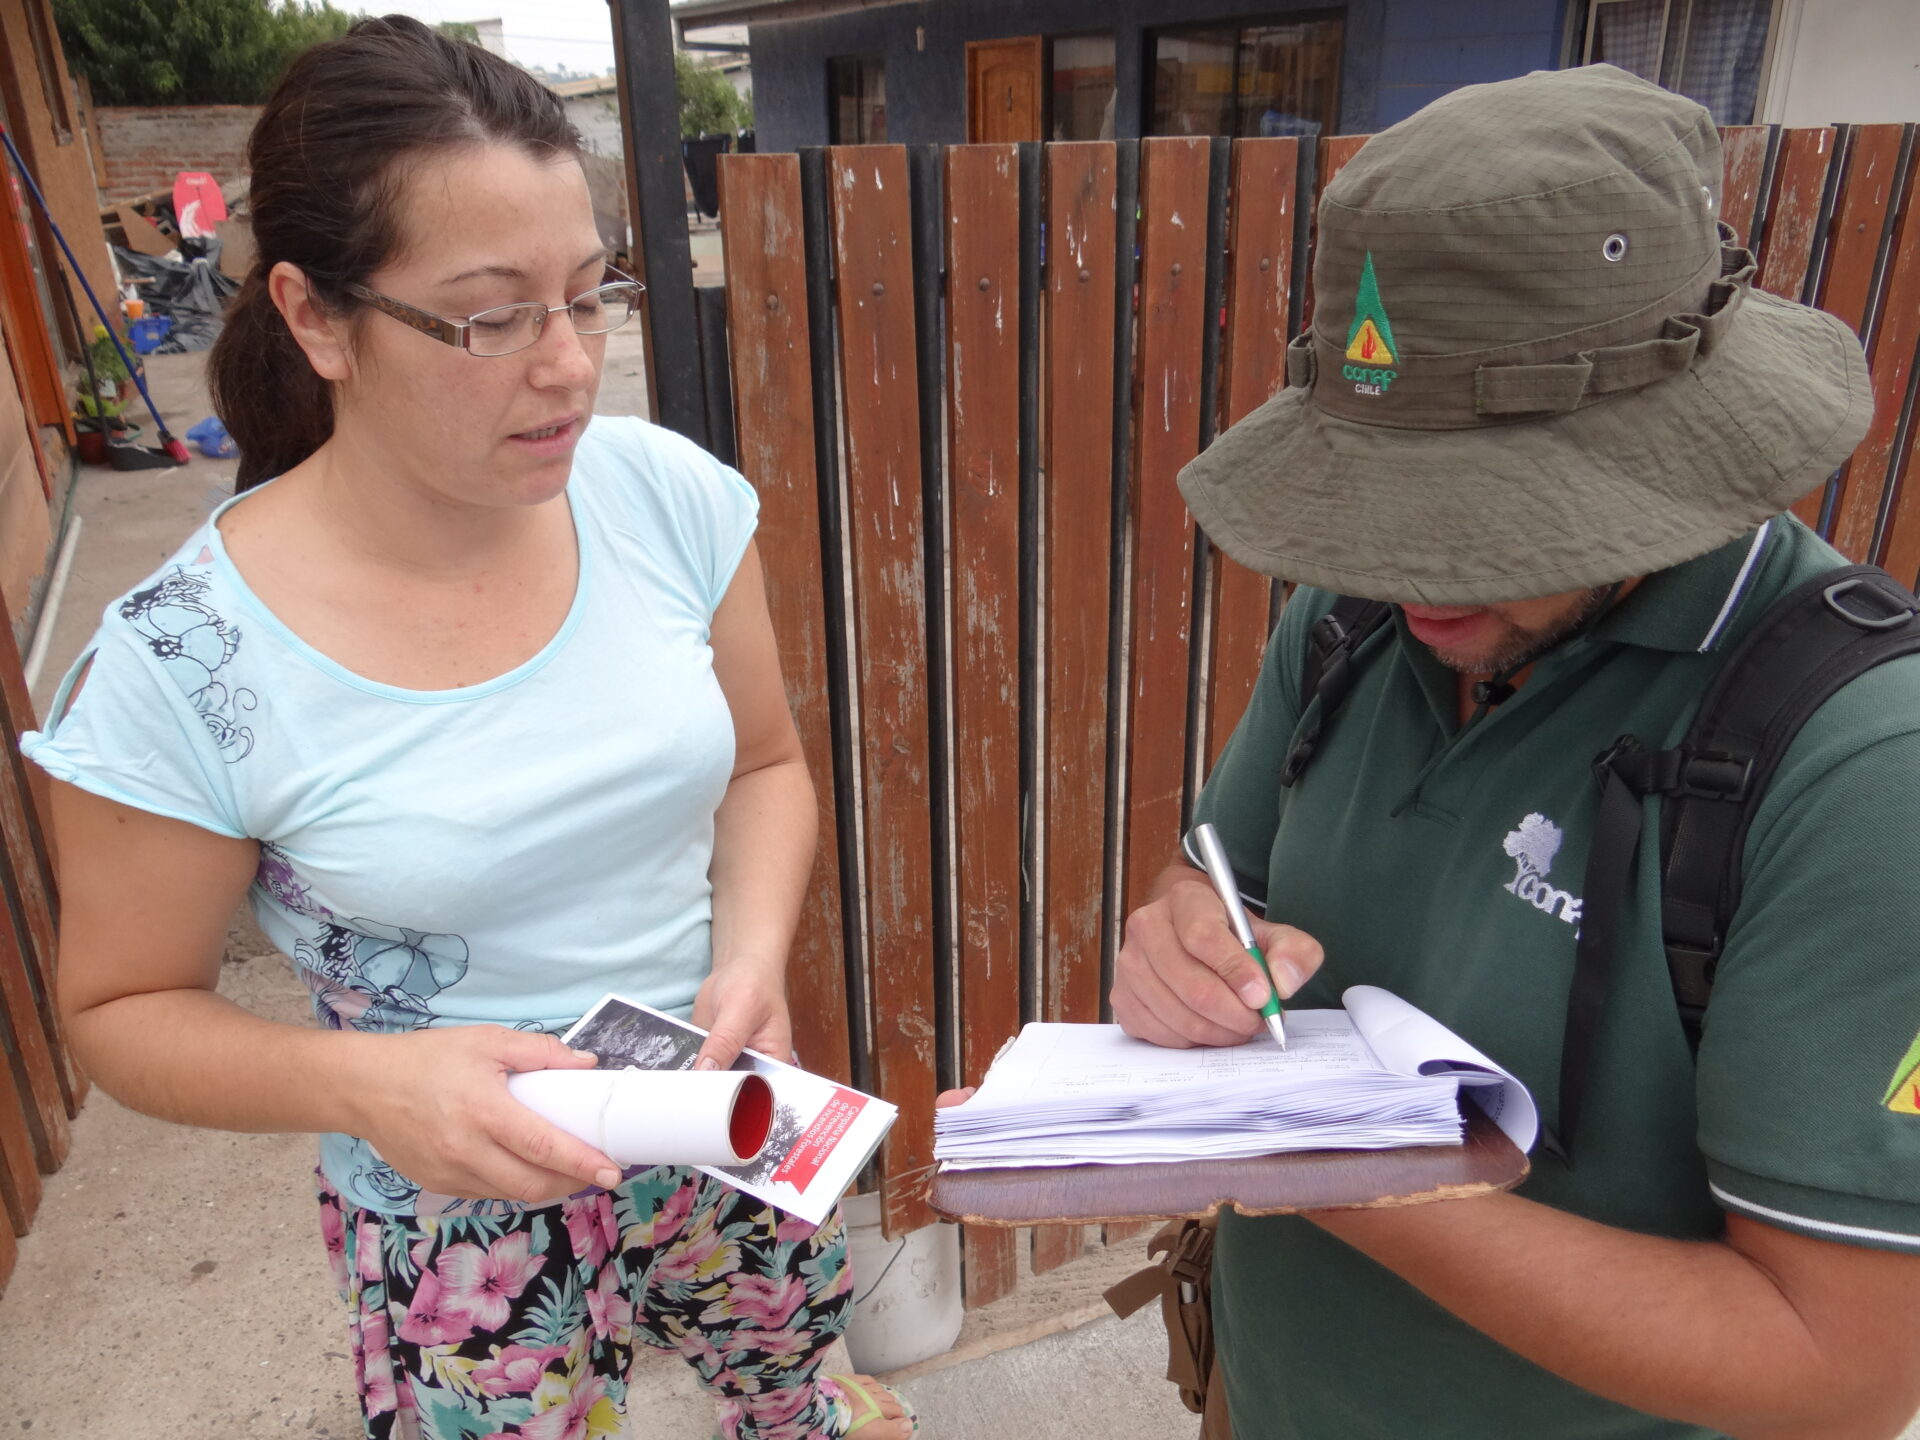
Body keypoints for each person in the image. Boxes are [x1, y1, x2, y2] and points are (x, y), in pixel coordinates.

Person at [24, 18, 911, 1440]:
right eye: (492, 317)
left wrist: (751, 959)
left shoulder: (661, 496)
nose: (568, 367)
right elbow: (120, 1010)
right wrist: (367, 1084)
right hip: (457, 1203)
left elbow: (762, 764)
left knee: (797, 1396)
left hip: (718, 1114)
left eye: (589, 295)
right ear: (318, 318)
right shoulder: (180, 662)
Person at [1108, 66, 1920, 1439]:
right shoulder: (1354, 621)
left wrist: (1340, 1169)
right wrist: (1178, 946)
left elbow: (1840, 1371)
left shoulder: (1861, 765)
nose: (1415, 574)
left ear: (1667, 447)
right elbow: (1213, 880)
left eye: (1481, 521)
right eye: (1382, 501)